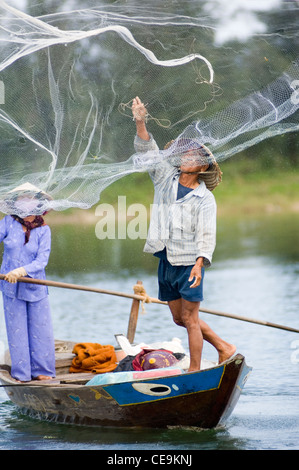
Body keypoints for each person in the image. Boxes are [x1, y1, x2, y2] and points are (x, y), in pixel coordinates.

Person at [132, 96, 236, 371]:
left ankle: (195, 370)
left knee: (190, 319)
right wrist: (140, 121)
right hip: (166, 258)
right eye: (187, 153)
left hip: (190, 262)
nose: (188, 156)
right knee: (179, 318)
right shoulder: (166, 176)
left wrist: (201, 263)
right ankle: (224, 346)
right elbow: (149, 151)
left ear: (202, 168)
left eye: (195, 156)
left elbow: (206, 234)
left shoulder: (204, 199)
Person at [0, 182, 56, 382]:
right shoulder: (7, 222)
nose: (25, 203)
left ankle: (42, 372)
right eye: (21, 199)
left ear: (37, 203)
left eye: (29, 199)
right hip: (10, 287)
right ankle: (22, 374)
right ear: (15, 203)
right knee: (16, 330)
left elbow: (42, 260)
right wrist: (11, 272)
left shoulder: (43, 230)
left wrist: (22, 270)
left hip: (36, 287)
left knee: (41, 329)